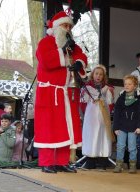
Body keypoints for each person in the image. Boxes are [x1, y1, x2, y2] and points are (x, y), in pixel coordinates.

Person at [34, 11, 88, 173]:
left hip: (67, 92)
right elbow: (46, 61)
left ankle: (62, 161)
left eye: (69, 26)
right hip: (49, 92)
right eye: (64, 25)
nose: (67, 29)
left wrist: (79, 63)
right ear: (57, 27)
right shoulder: (46, 42)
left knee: (67, 128)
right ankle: (47, 162)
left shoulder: (72, 45)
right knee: (49, 127)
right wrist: (63, 51)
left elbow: (82, 56)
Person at [80, 65, 114, 169]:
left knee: (103, 135)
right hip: (91, 116)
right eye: (96, 73)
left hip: (103, 116)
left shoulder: (107, 88)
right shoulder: (87, 87)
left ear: (103, 76)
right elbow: (83, 102)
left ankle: (103, 160)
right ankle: (90, 160)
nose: (98, 76)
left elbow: (110, 103)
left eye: (101, 74)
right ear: (92, 74)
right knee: (91, 135)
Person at [112, 75, 140, 174]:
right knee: (120, 146)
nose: (127, 86)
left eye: (129, 84)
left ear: (135, 86)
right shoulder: (121, 98)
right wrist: (115, 127)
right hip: (121, 127)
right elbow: (116, 113)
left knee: (132, 147)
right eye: (125, 84)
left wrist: (139, 127)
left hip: (133, 127)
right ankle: (118, 165)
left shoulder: (139, 99)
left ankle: (133, 166)